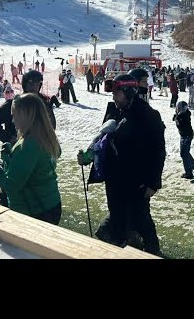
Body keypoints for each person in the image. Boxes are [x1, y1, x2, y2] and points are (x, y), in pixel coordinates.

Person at [80, 74, 165, 255]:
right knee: (118, 214)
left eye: (116, 93)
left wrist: (153, 182)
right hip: (116, 179)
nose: (113, 97)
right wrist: (89, 155)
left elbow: (158, 150)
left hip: (137, 180)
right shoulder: (115, 111)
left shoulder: (148, 115)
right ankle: (119, 246)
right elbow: (101, 139)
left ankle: (152, 252)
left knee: (141, 219)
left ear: (128, 91)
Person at [0, 93, 62, 225]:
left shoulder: (29, 144)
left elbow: (12, 186)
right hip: (51, 204)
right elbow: (35, 170)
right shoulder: (45, 137)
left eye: (14, 116)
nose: (12, 121)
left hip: (35, 212)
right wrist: (9, 160)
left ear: (25, 116)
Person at [0, 70, 57, 144]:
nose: (34, 86)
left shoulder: (43, 104)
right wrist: (8, 138)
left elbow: (52, 125)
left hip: (40, 148)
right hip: (19, 150)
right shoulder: (14, 104)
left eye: (37, 83)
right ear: (25, 84)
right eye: (30, 82)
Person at [174, 101, 194, 179]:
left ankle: (189, 173)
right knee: (185, 152)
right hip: (184, 135)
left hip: (187, 136)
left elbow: (180, 124)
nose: (177, 110)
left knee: (184, 153)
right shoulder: (183, 114)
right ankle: (193, 165)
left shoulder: (184, 116)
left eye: (179, 108)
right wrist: (176, 116)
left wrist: (177, 117)